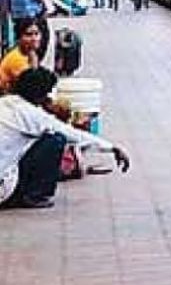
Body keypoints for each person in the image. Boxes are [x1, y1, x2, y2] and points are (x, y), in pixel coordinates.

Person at [0, 68, 130, 209]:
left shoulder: (4, 103)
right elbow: (72, 134)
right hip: (3, 186)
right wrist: (111, 148)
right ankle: (33, 195)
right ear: (41, 95)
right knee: (56, 140)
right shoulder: (32, 115)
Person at [0, 18, 40, 93]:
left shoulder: (30, 54)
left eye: (36, 34)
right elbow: (32, 87)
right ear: (19, 38)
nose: (34, 38)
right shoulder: (16, 59)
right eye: (29, 35)